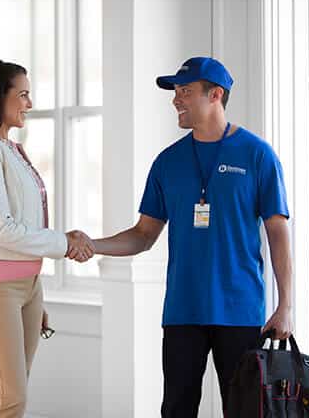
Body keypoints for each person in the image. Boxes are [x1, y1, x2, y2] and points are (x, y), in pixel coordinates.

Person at [87, 56, 293, 417]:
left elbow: (278, 233)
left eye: (185, 91)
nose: (175, 99)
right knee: (177, 409)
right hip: (183, 311)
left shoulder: (258, 155)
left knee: (246, 411)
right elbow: (143, 235)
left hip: (240, 311)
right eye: (175, 91)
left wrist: (285, 306)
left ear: (215, 94)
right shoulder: (167, 162)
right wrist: (93, 244)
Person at [0, 58, 94, 418]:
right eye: (23, 94)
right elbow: (1, 229)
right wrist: (63, 243)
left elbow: (28, 220)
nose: (29, 104)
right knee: (10, 400)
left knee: (16, 394)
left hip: (26, 284)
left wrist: (31, 289)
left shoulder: (11, 149)